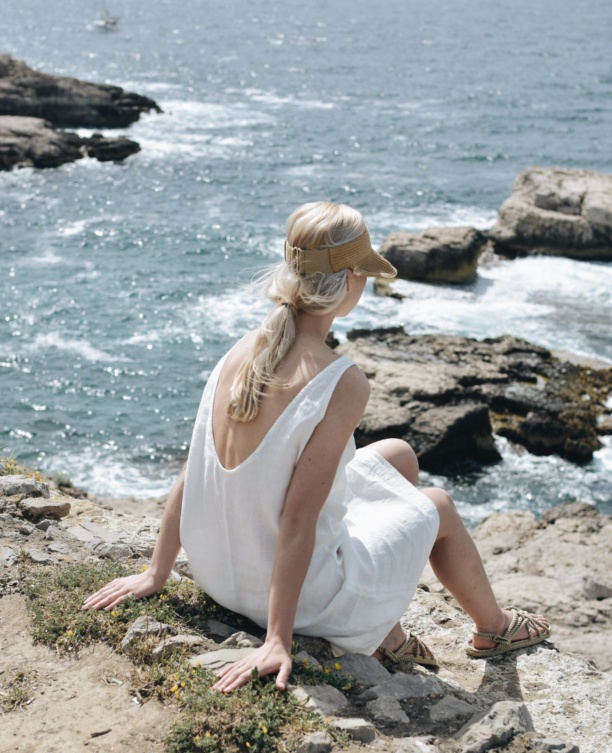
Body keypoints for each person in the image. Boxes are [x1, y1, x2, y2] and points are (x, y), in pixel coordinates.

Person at [83, 201, 550, 693]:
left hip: (219, 573)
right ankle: (495, 628)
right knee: (438, 505)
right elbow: (300, 517)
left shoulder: (244, 347)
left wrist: (158, 572)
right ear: (350, 279)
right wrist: (277, 638)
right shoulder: (341, 380)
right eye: (365, 273)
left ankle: (384, 629)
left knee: (398, 456)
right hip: (297, 601)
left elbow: (193, 470)